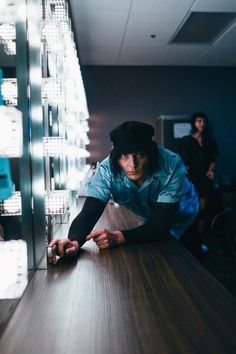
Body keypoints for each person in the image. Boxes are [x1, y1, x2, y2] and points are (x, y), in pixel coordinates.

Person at [49, 121, 200, 262]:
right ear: (115, 155)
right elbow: (89, 213)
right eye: (124, 155)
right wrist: (74, 240)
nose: (132, 164)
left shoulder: (171, 164)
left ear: (151, 153)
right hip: (151, 218)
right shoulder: (106, 169)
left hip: (185, 213)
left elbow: (161, 224)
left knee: (191, 262)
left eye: (139, 155)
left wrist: (119, 237)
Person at [178, 112, 219, 242]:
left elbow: (213, 158)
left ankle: (199, 238)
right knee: (190, 207)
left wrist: (211, 171)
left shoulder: (210, 141)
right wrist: (184, 169)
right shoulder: (186, 140)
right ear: (194, 123)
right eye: (199, 121)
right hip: (191, 179)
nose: (202, 124)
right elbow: (182, 160)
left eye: (204, 121)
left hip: (205, 179)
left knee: (203, 209)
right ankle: (189, 237)